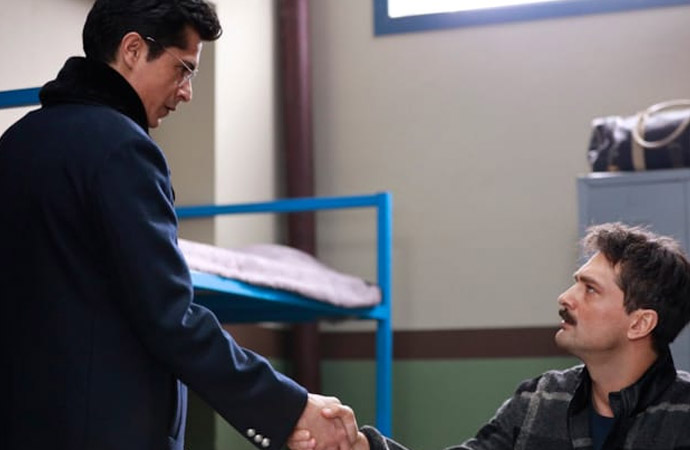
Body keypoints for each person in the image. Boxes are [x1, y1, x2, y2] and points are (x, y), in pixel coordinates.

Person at [0, 1, 356, 450]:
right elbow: (170, 317)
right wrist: (288, 409)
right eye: (183, 69)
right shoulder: (123, 149)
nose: (186, 92)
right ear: (133, 49)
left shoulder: (15, 142)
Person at [289, 222, 690, 450]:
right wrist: (362, 447)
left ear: (640, 323)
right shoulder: (539, 398)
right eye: (576, 283)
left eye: (590, 289)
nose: (565, 298)